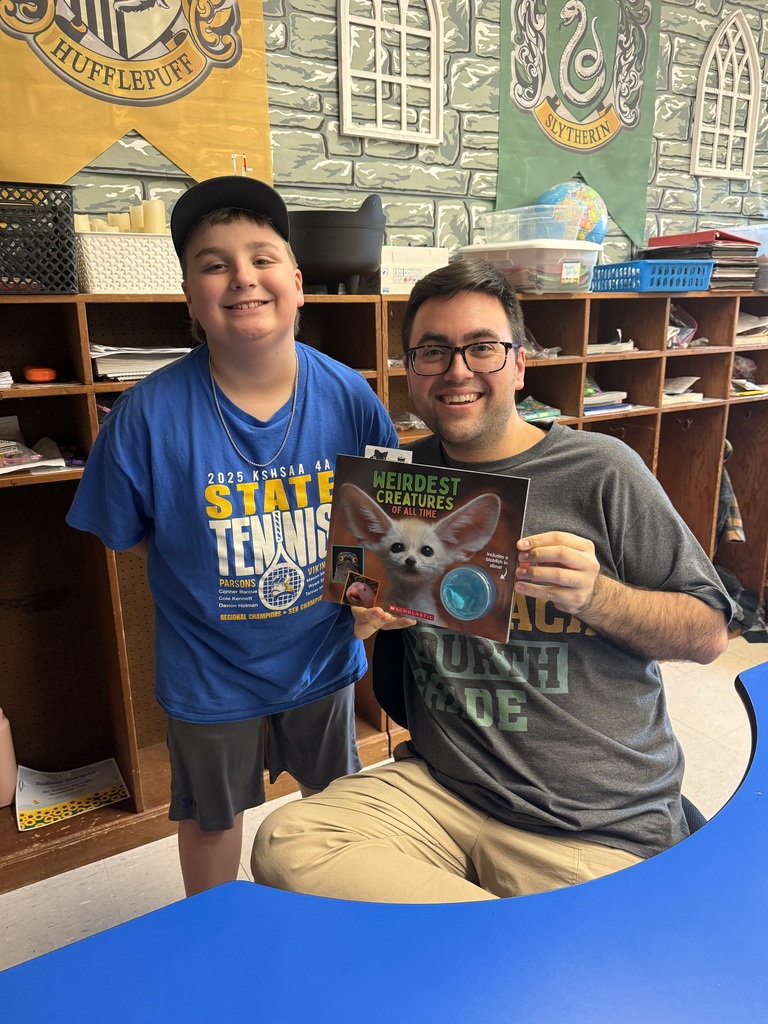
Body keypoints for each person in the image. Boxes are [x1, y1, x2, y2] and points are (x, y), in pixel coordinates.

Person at [251, 258, 733, 904]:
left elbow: (709, 632)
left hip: (589, 821)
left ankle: (504, 941)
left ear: (519, 363)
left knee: (609, 960)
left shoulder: (602, 472)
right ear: (411, 372)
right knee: (286, 843)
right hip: (445, 790)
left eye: (482, 348)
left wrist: (598, 595)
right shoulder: (396, 481)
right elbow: (355, 621)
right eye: (433, 351)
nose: (457, 371)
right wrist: (362, 623)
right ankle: (511, 938)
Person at [66, 176, 398, 896]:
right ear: (190, 298)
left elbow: (383, 521)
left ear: (300, 284)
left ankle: (342, 923)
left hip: (322, 654)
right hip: (208, 668)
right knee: (214, 819)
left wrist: (372, 601)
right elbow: (127, 534)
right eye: (214, 264)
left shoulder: (350, 396)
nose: (242, 276)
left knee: (335, 806)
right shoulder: (144, 417)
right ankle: (216, 943)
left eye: (262, 257)